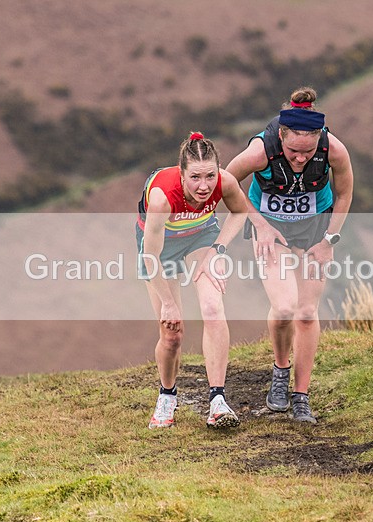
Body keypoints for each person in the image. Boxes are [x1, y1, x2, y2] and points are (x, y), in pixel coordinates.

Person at [225, 87, 354, 424]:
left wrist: (329, 240)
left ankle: (301, 396)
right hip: (272, 229)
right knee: (284, 307)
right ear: (281, 137)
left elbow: (345, 193)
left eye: (308, 152)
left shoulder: (334, 150)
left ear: (319, 140)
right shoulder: (260, 151)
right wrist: (259, 225)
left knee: (307, 313)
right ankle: (280, 372)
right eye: (294, 151)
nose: (300, 159)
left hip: (315, 228)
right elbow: (226, 181)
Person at [137, 132, 249, 429]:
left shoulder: (224, 182)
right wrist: (170, 304)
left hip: (202, 236)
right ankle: (167, 396)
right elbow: (150, 259)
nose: (204, 185)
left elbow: (240, 211)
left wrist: (218, 249)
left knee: (213, 310)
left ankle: (218, 401)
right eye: (195, 177)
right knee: (171, 332)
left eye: (210, 175)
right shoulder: (162, 198)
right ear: (182, 174)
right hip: (162, 248)